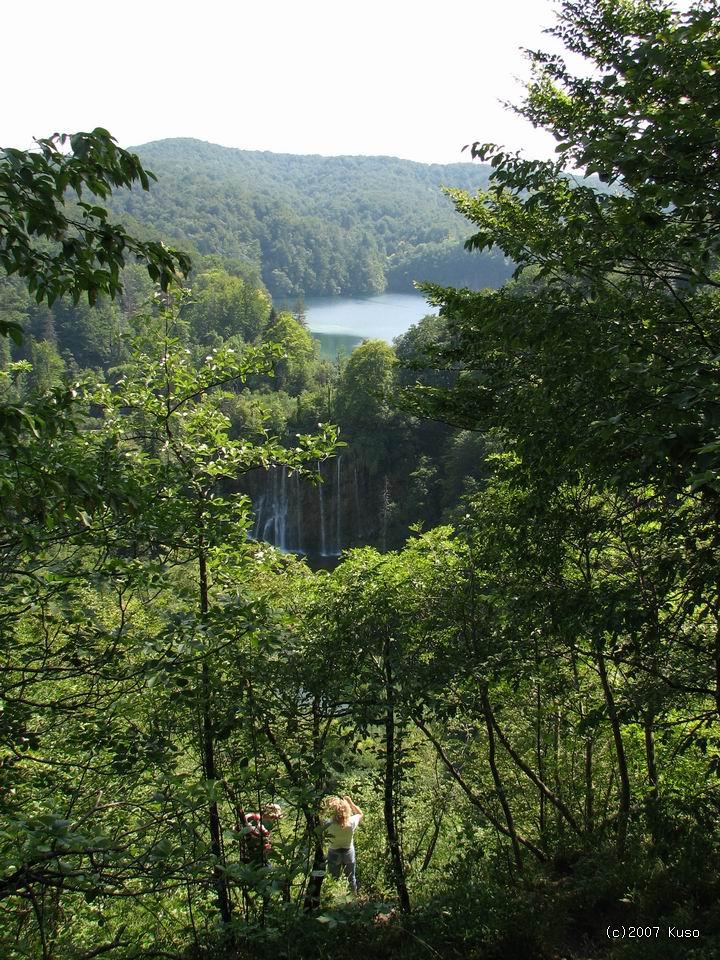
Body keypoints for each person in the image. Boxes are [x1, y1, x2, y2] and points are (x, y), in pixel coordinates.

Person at [323, 794, 363, 893]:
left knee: (333, 879)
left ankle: (333, 898)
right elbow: (360, 814)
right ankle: (353, 898)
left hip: (334, 852)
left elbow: (318, 818)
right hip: (348, 851)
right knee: (351, 879)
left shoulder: (328, 824)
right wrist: (350, 802)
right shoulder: (351, 822)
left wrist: (326, 807)